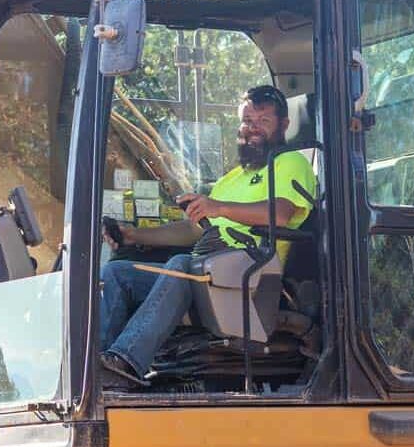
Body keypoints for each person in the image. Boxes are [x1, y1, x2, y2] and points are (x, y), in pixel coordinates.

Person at [100, 85, 317, 388]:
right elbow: (194, 229)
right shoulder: (233, 177)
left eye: (263, 121)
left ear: (284, 125)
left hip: (249, 279)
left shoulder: (290, 163)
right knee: (118, 272)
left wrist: (219, 207)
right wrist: (133, 235)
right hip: (208, 273)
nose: (252, 129)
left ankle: (126, 362)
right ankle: (101, 365)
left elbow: (281, 214)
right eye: (247, 121)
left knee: (181, 265)